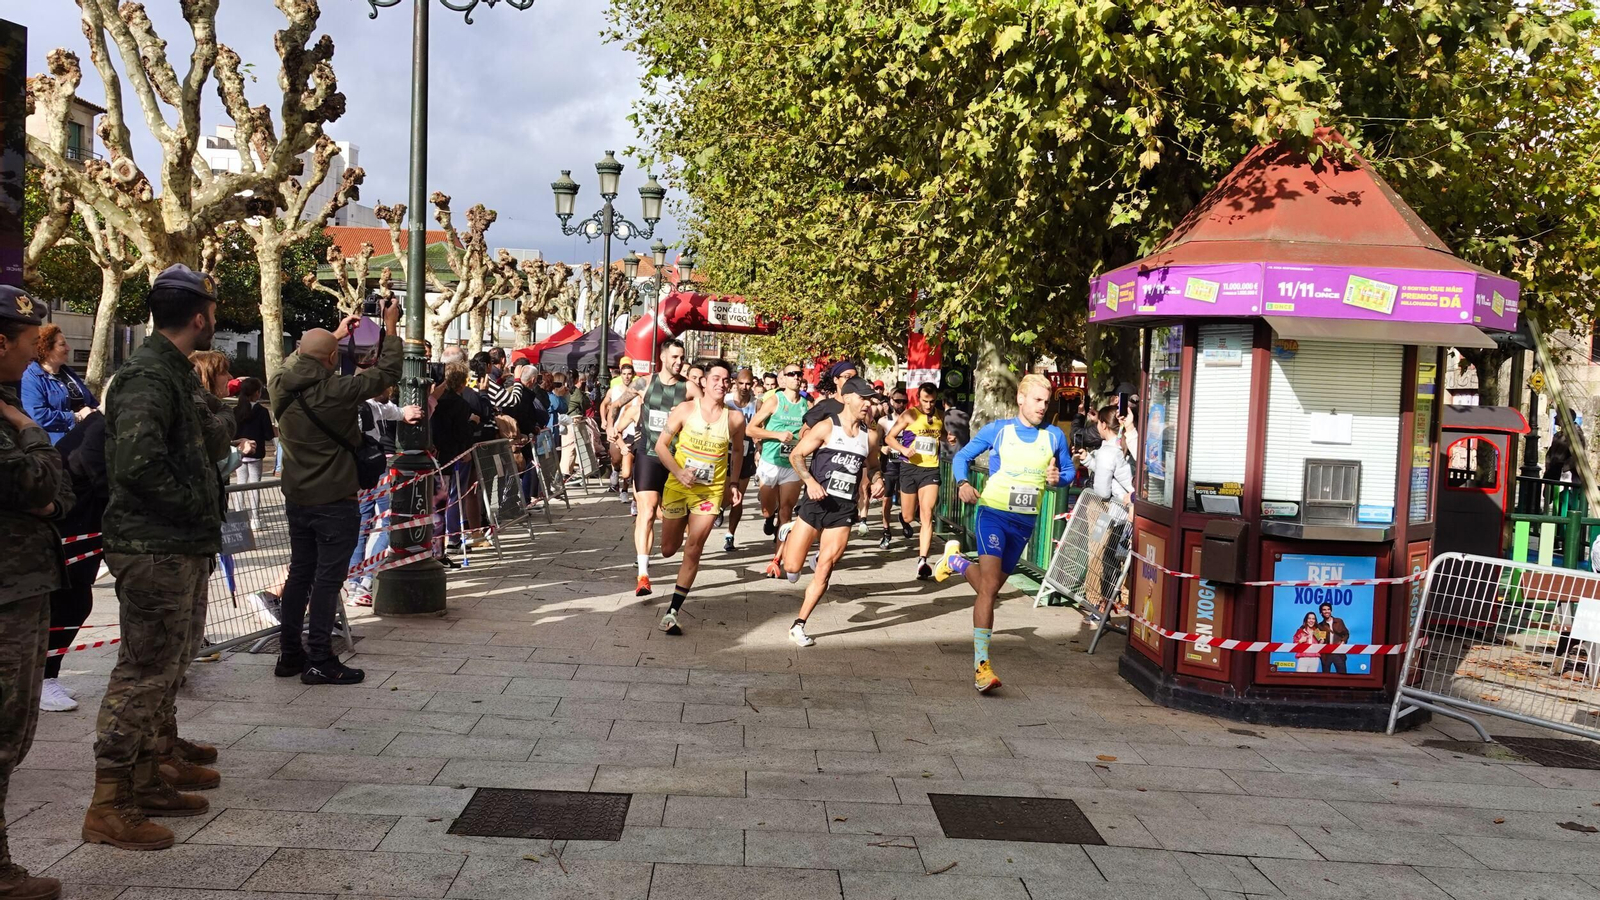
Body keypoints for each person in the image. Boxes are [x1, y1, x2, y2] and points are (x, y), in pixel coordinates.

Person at [87, 265, 232, 850]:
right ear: (200, 315)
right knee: (142, 673)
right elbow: (138, 466)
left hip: (177, 544)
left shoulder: (170, 372)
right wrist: (196, 508)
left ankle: (149, 775)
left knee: (168, 665)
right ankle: (109, 801)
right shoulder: (148, 375)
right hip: (155, 546)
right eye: (213, 310)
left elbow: (201, 440)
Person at [269, 297, 403, 686]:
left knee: (299, 575)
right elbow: (388, 371)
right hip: (334, 499)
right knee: (328, 580)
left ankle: (290, 653)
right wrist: (389, 326)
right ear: (331, 360)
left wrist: (335, 335)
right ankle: (320, 658)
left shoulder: (280, 383)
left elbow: (305, 356)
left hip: (297, 497)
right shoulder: (337, 391)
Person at [0, 285, 75, 900]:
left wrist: (45, 491)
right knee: (3, 728)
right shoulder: (10, 413)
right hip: (6, 589)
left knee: (14, 728)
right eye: (28, 344)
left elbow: (59, 493)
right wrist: (31, 431)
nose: (32, 358)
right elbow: (31, 477)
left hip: (21, 583)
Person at [933, 374, 1072, 693]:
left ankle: (956, 563)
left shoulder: (1053, 436)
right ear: (1021, 399)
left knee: (990, 586)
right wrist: (963, 483)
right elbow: (964, 457)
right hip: (992, 514)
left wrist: (1058, 477)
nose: (1043, 406)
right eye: (1037, 400)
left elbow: (1067, 473)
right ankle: (982, 667)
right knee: (989, 588)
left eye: (1046, 401)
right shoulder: (999, 430)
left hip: (1024, 523)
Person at [783, 377, 885, 647]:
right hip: (816, 503)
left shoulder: (870, 435)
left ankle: (799, 624)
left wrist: (877, 481)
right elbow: (796, 455)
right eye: (862, 398)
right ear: (848, 397)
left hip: (843, 510)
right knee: (792, 567)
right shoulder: (827, 427)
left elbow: (873, 465)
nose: (867, 404)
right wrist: (810, 482)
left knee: (825, 568)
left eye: (870, 399)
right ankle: (791, 532)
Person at [653, 358, 747, 635]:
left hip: (710, 491)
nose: (722, 383)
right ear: (703, 382)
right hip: (678, 487)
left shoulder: (735, 418)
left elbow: (739, 451)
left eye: (726, 379)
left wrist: (733, 483)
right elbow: (661, 446)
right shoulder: (685, 410)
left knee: (694, 547)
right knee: (669, 549)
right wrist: (679, 472)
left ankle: (672, 612)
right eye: (716, 378)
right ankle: (677, 522)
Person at [41, 372, 110, 714]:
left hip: (83, 524)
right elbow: (99, 477)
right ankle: (43, 676)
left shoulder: (104, 427)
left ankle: (46, 674)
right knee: (67, 602)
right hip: (70, 525)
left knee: (75, 601)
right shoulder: (99, 429)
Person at [631, 340, 693, 596]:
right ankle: (643, 575)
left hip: (675, 458)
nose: (679, 362)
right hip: (647, 454)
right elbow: (612, 403)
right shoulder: (643, 383)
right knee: (646, 512)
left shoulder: (688, 387)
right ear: (663, 357)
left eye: (682, 358)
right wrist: (610, 424)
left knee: (672, 521)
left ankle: (675, 546)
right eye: (675, 357)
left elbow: (708, 411)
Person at [747, 365, 809, 577]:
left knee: (786, 511)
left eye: (799, 374)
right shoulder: (774, 400)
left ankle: (776, 559)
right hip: (770, 462)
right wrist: (776, 435)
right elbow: (751, 429)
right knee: (768, 509)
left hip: (792, 464)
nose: (796, 377)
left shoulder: (806, 405)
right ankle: (767, 517)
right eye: (791, 374)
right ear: (783, 379)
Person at [886, 382, 945, 578]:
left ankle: (923, 561)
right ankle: (906, 517)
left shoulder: (940, 414)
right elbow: (889, 438)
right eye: (925, 401)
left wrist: (948, 437)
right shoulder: (910, 415)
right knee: (909, 516)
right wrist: (903, 450)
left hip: (930, 470)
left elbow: (940, 433)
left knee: (927, 513)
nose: (929, 405)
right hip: (909, 468)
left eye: (932, 401)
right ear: (918, 399)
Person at [21, 323, 98, 445]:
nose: (68, 348)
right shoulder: (31, 377)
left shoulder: (68, 373)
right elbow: (38, 415)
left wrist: (94, 412)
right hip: (56, 445)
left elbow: (91, 401)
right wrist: (76, 417)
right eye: (62, 344)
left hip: (85, 439)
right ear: (46, 348)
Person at [722, 366, 760, 551]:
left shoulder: (757, 404)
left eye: (748, 384)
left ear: (753, 385)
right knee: (724, 494)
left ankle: (730, 534)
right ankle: (720, 508)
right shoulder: (726, 401)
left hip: (745, 454)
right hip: (724, 452)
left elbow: (760, 428)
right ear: (735, 384)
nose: (745, 387)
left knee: (738, 497)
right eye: (741, 383)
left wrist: (759, 447)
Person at [232, 377, 274, 527]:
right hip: (256, 454)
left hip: (239, 452)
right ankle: (255, 519)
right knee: (255, 485)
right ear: (257, 393)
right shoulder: (262, 411)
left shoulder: (235, 410)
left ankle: (239, 517)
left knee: (240, 484)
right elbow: (269, 434)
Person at [876, 385, 907, 549]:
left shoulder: (911, 419)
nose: (901, 405)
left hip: (907, 463)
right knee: (887, 500)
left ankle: (905, 517)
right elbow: (876, 443)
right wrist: (882, 448)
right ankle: (886, 532)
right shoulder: (883, 421)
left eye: (904, 402)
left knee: (909, 498)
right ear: (891, 401)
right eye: (898, 401)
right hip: (889, 465)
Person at [1318, 602, 1351, 674]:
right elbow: (1320, 639)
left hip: (1338, 653)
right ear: (1321, 613)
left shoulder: (1339, 621)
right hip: (1326, 654)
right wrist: (1321, 641)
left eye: (1328, 609)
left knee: (1342, 675)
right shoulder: (1320, 626)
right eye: (1324, 610)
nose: (1326, 611)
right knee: (1325, 676)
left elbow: (1346, 634)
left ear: (1331, 611)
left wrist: (1343, 642)